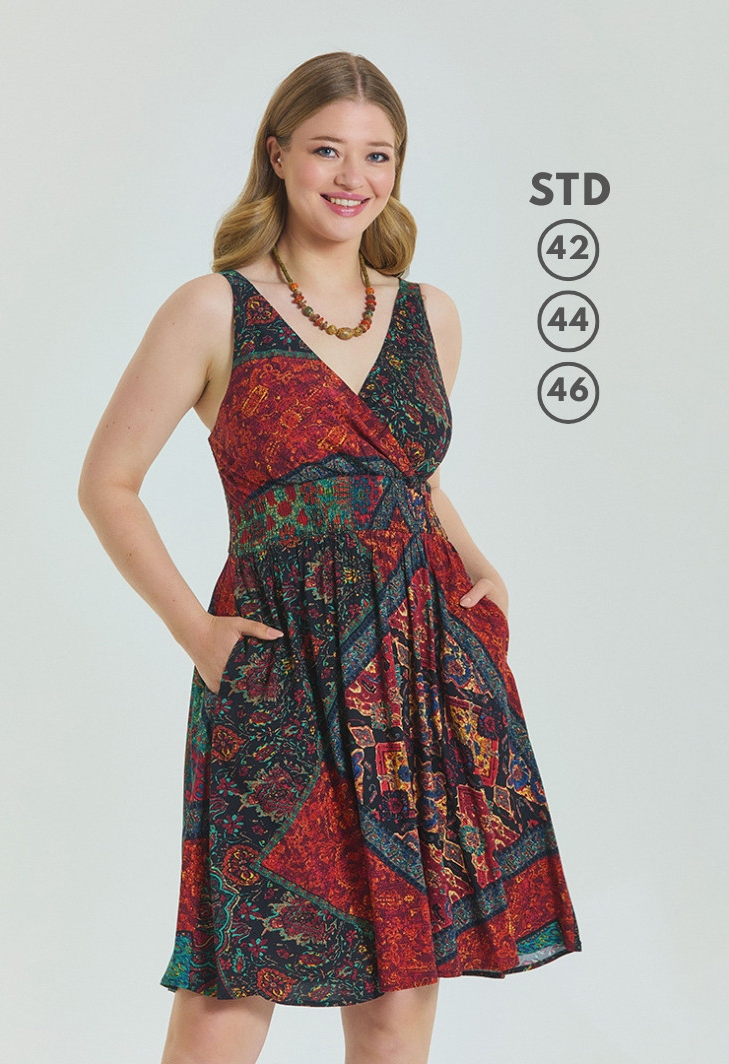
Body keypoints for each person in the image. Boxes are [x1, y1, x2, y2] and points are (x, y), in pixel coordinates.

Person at [78, 51, 581, 1064]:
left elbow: (406, 473)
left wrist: (480, 564)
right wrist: (198, 634)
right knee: (235, 981)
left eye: (377, 154)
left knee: (401, 987)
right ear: (277, 156)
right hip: (279, 666)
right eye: (326, 150)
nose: (353, 177)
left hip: (418, 668)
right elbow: (107, 482)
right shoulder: (213, 308)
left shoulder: (430, 313)